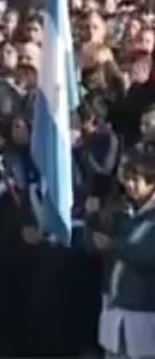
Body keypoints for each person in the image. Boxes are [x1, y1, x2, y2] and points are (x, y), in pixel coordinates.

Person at [95, 147, 155, 359]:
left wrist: (114, 246)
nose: (129, 185)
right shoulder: (123, 212)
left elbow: (148, 255)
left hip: (144, 316)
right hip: (116, 313)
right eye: (127, 179)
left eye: (136, 180)